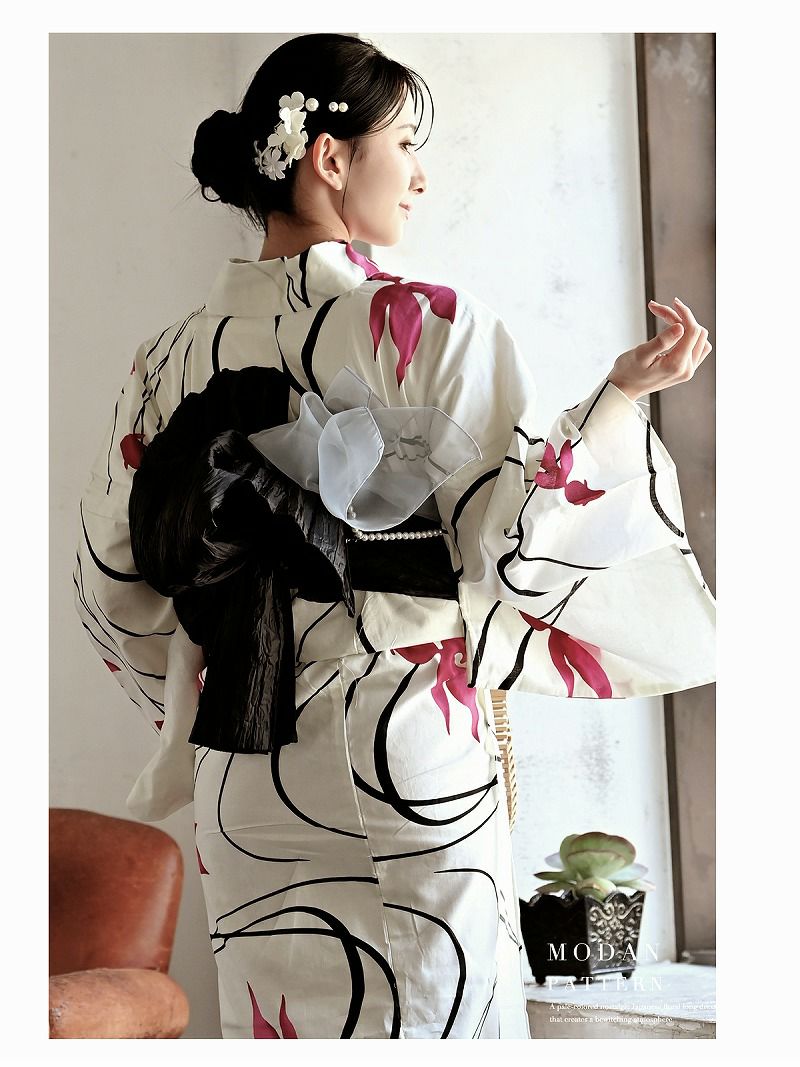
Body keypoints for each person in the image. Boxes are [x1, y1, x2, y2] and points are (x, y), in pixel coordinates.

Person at [73, 32, 715, 1040]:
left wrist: (214, 674)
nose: (419, 175)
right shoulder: (429, 323)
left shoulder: (165, 360)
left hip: (243, 759)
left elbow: (114, 583)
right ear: (329, 157)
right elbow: (516, 540)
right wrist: (616, 402)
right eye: (405, 143)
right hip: (402, 740)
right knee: (437, 1019)